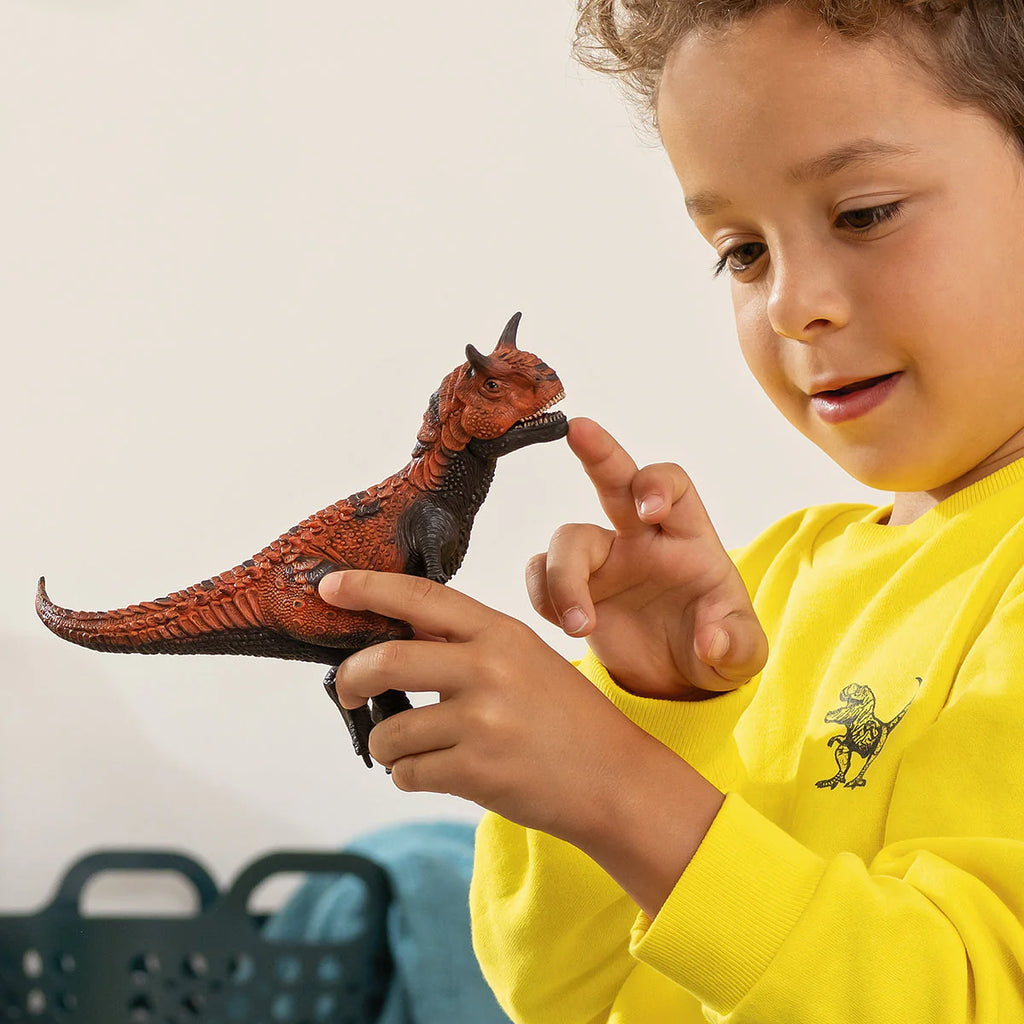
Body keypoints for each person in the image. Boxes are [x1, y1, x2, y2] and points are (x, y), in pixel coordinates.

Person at [317, 0, 1024, 1017]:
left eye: (862, 212)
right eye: (742, 251)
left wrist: (620, 785)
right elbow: (573, 998)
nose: (787, 303)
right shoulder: (769, 585)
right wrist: (648, 718)